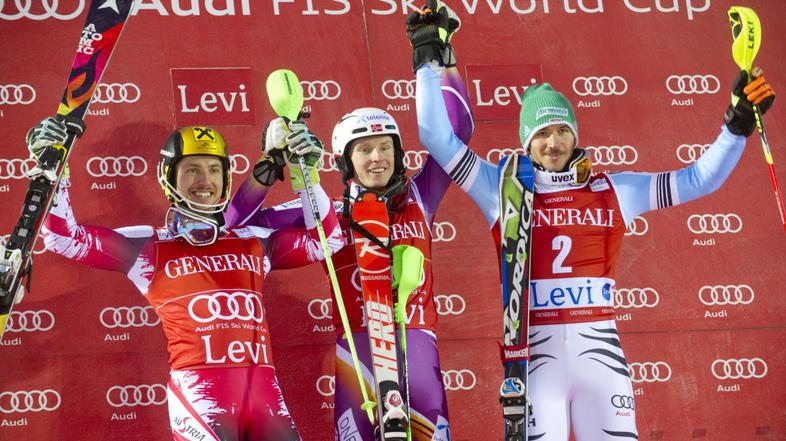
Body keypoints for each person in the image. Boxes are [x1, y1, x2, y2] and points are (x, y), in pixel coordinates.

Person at [406, 3, 775, 440]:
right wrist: (428, 60)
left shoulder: (613, 188)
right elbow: (435, 136)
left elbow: (699, 178)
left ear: (575, 134)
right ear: (526, 142)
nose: (553, 141)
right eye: (541, 134)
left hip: (600, 356)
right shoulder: (501, 187)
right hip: (535, 360)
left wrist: (736, 126)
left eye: (561, 130)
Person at [29, 118, 338, 441]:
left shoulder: (253, 239)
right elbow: (64, 239)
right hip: (200, 400)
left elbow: (328, 241)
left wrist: (307, 174)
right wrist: (54, 166)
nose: (205, 180)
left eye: (214, 170)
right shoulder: (149, 247)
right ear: (168, 176)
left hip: (265, 400)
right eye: (192, 169)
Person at [227, 85, 473, 440]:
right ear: (345, 161)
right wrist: (270, 165)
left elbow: (459, 132)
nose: (377, 158)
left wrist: (436, 63)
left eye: (385, 147)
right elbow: (237, 223)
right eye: (365, 150)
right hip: (358, 353)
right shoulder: (326, 211)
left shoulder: (421, 195)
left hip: (417, 348)